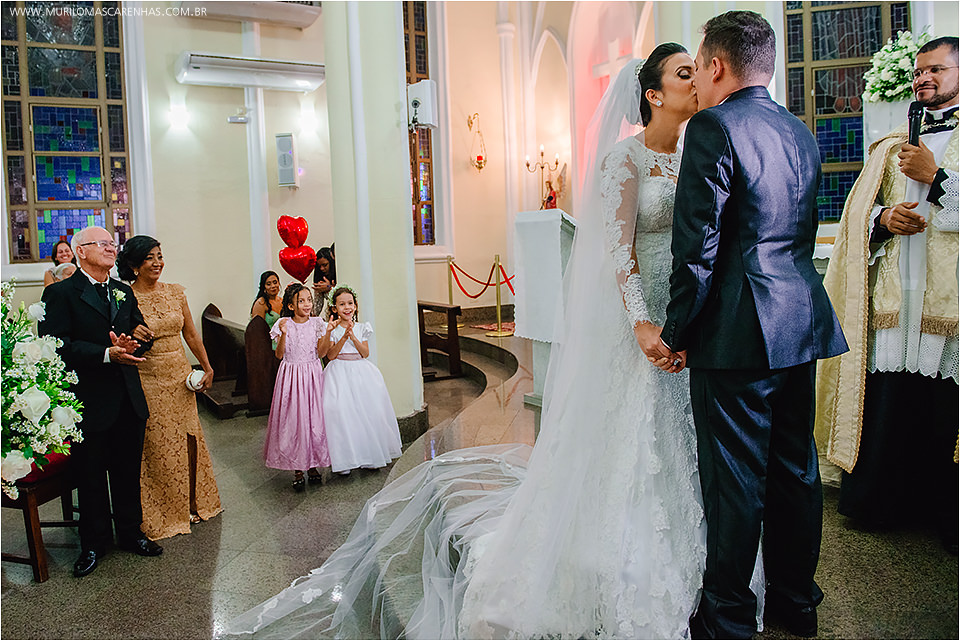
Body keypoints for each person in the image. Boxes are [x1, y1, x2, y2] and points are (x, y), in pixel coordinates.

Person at [228, 44, 736, 640]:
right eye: (684, 73)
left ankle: (691, 555)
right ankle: (617, 564)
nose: (698, 80)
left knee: (678, 437)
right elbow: (618, 252)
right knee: (632, 434)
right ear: (653, 94)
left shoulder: (699, 153)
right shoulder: (624, 160)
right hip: (636, 324)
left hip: (686, 319)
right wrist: (642, 324)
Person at [654, 12, 848, 639]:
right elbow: (801, 230)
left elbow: (697, 249)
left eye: (700, 69)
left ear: (715, 65)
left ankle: (729, 618)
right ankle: (796, 605)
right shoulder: (798, 129)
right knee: (795, 471)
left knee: (734, 481)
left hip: (738, 332)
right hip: (801, 321)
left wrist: (676, 330)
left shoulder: (714, 125)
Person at [815, 37, 959, 547]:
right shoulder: (890, 144)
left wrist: (935, 178)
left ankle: (947, 517)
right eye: (919, 72)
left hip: (950, 303)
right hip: (898, 296)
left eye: (937, 70)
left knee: (945, 408)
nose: (924, 79)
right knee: (894, 402)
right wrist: (882, 219)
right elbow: (857, 214)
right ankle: (882, 505)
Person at [38, 226, 163, 578]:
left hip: (127, 395)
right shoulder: (61, 294)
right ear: (81, 252)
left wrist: (141, 340)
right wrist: (106, 353)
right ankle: (92, 544)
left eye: (112, 243)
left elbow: (138, 332)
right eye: (103, 244)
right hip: (88, 400)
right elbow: (55, 346)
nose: (111, 248)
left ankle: (130, 533)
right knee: (90, 476)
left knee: (127, 471)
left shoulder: (122, 291)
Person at [117, 235, 223, 539]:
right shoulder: (125, 297)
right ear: (135, 264)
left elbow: (191, 334)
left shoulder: (175, 292)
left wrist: (207, 365)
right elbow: (120, 338)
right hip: (148, 376)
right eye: (150, 258)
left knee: (189, 438)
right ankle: (166, 511)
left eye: (160, 256)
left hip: (179, 375)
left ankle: (194, 503)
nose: (157, 263)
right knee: (159, 445)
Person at [322, 285, 402, 474]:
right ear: (335, 308)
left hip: (361, 372)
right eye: (342, 304)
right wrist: (343, 337)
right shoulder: (331, 329)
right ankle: (345, 459)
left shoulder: (362, 327)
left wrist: (353, 336)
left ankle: (369, 456)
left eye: (350, 303)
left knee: (366, 412)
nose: (347, 307)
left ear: (355, 306)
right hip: (338, 372)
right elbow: (331, 355)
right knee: (341, 413)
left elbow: (365, 353)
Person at [265, 283, 332, 491]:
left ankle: (313, 465)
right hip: (291, 376)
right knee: (295, 420)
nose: (306, 304)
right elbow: (278, 354)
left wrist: (328, 332)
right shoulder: (284, 323)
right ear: (291, 306)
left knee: (314, 419)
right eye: (301, 300)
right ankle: (297, 467)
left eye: (309, 300)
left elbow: (321, 353)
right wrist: (284, 333)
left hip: (312, 373)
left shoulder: (316, 323)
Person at [311, 246, 336, 317]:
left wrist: (329, 288)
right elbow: (316, 308)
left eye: (325, 265)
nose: (322, 268)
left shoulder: (339, 274)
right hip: (330, 316)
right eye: (319, 266)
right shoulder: (320, 279)